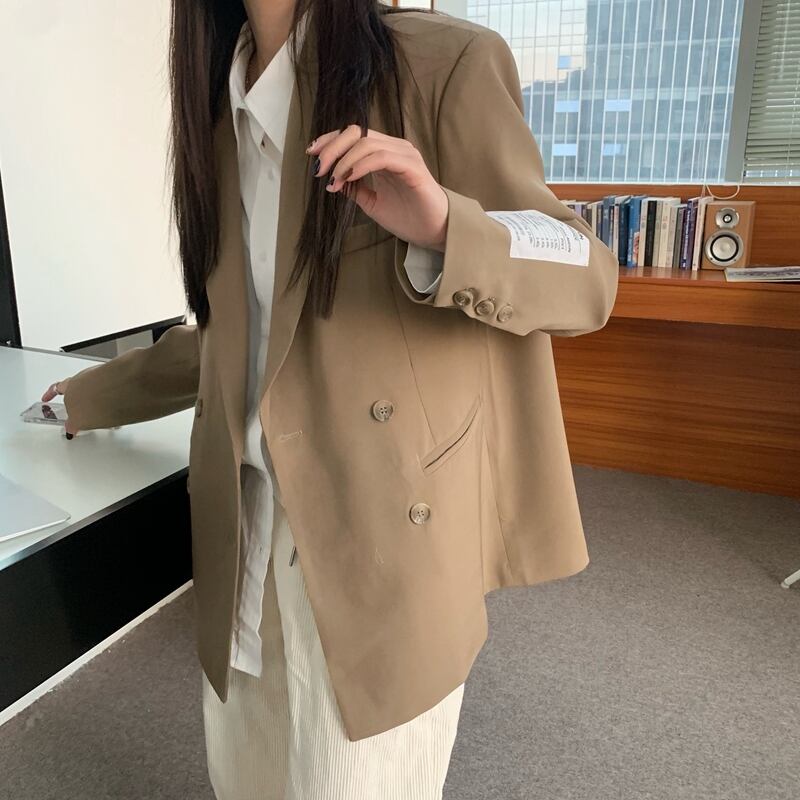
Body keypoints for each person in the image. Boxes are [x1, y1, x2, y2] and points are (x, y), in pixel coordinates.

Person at [42, 1, 619, 797]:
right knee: (244, 778)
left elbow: (587, 275)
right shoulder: (218, 102)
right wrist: (93, 393)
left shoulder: (441, 63)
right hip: (243, 527)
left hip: (380, 535)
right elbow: (239, 338)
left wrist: (445, 227)